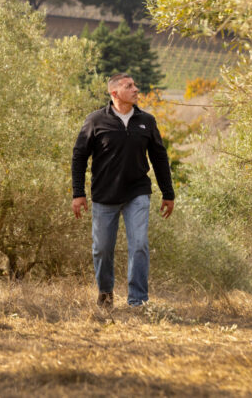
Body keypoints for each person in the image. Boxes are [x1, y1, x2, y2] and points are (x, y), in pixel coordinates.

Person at [71, 72, 175, 307]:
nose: (136, 89)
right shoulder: (95, 120)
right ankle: (106, 294)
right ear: (114, 92)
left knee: (139, 245)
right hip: (104, 195)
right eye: (130, 86)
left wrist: (168, 193)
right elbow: (79, 157)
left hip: (137, 193)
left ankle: (137, 300)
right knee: (102, 250)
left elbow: (159, 157)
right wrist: (78, 193)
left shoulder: (146, 121)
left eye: (135, 85)